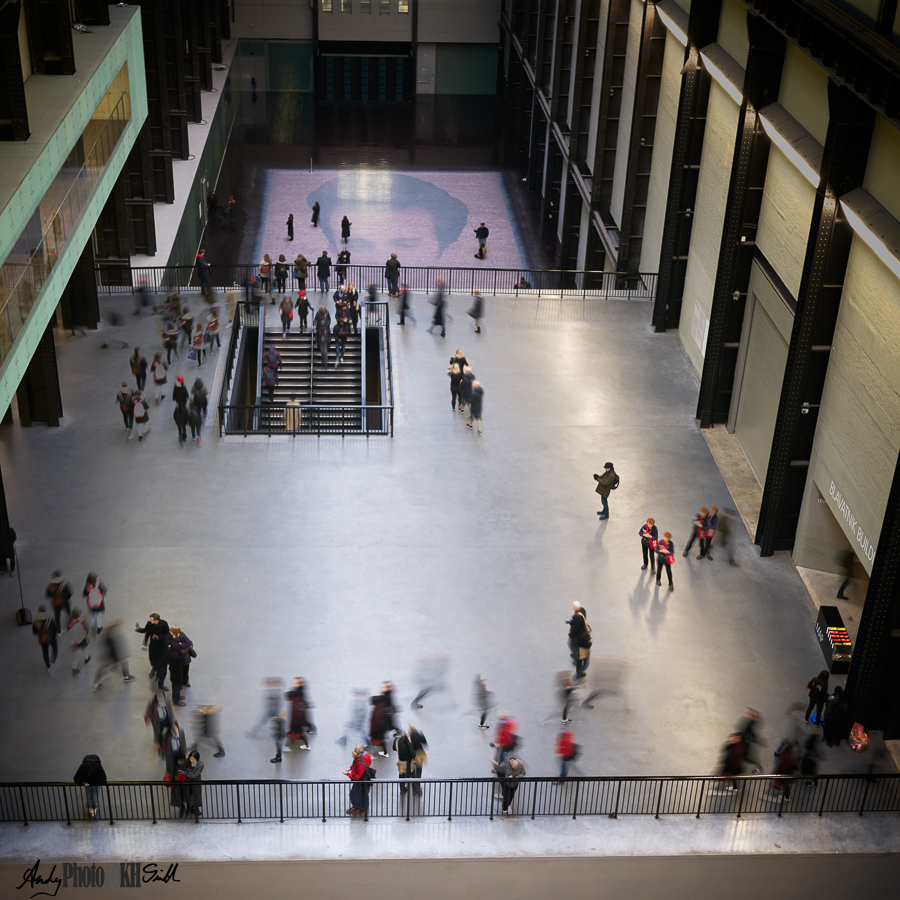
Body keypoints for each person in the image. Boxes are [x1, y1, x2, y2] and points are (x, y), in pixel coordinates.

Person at [92, 618, 136, 688]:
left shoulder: (108, 633)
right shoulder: (109, 638)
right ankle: (96, 684)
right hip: (111, 658)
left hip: (110, 657)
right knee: (105, 671)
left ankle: (126, 676)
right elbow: (112, 650)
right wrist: (113, 662)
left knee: (124, 662)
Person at [136, 613, 170, 690]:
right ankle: (154, 669)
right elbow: (145, 631)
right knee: (152, 659)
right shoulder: (149, 624)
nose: (150, 621)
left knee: (161, 664)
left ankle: (160, 683)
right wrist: (138, 629)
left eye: (151, 620)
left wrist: (159, 637)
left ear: (156, 620)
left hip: (162, 646)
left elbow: (167, 634)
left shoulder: (164, 624)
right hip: (153, 646)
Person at [394, 725, 427, 795]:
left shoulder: (399, 740)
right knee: (414, 775)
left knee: (401, 775)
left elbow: (394, 748)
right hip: (409, 762)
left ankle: (402, 789)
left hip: (401, 761)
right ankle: (415, 790)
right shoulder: (409, 743)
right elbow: (412, 753)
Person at [285, 677, 316, 751]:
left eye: (296, 683)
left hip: (297, 717)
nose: (294, 684)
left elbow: (289, 696)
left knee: (298, 733)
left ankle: (306, 745)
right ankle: (288, 746)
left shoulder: (298, 692)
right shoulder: (298, 691)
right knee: (294, 732)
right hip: (296, 716)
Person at [369, 682, 398, 758]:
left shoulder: (378, 709)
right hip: (379, 728)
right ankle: (383, 752)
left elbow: (376, 721)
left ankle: (381, 752)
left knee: (379, 740)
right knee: (381, 741)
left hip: (378, 729)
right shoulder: (380, 706)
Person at [166, 625, 193, 707]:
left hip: (176, 668)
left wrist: (179, 645)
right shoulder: (175, 654)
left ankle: (177, 696)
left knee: (177, 684)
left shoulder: (173, 650)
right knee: (176, 684)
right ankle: (176, 700)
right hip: (176, 669)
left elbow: (189, 643)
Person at [73, 754, 107, 819]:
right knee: (90, 795)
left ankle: (91, 805)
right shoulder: (83, 767)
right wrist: (83, 783)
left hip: (94, 783)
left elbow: (103, 778)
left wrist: (92, 783)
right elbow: (76, 778)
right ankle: (94, 806)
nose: (88, 774)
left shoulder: (98, 767)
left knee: (95, 796)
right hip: (89, 783)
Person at [345, 744, 373, 816]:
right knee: (357, 793)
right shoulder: (360, 758)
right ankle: (357, 806)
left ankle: (360, 807)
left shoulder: (360, 762)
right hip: (362, 779)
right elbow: (355, 763)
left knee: (357, 793)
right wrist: (350, 768)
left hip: (361, 780)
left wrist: (348, 774)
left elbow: (358, 775)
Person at [179, 749, 204, 819]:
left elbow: (195, 775)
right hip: (188, 782)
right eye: (190, 758)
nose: (191, 760)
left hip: (195, 782)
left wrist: (187, 774)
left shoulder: (200, 764)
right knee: (188, 795)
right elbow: (185, 770)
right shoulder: (188, 762)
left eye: (193, 759)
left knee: (195, 796)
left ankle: (195, 808)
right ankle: (189, 808)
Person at [47, 570, 73, 635]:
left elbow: (48, 595)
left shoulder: (50, 586)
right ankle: (69, 625)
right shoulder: (64, 584)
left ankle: (59, 631)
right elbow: (70, 594)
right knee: (68, 612)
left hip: (56, 604)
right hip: (65, 602)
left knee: (57, 617)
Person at [33, 606, 58, 670]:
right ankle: (53, 661)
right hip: (51, 638)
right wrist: (53, 637)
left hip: (43, 640)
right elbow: (55, 629)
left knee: (45, 652)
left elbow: (35, 632)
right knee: (55, 649)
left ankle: (48, 666)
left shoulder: (36, 622)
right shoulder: (50, 620)